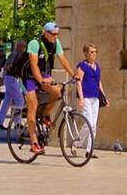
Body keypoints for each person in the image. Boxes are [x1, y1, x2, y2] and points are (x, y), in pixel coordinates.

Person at [16, 22, 79, 154]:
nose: (56, 36)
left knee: (57, 91)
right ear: (45, 32)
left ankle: (44, 114)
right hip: (28, 76)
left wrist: (73, 75)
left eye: (57, 34)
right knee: (33, 104)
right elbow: (33, 65)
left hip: (43, 73)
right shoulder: (35, 43)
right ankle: (33, 142)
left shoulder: (56, 43)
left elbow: (63, 60)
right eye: (53, 34)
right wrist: (41, 81)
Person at [76, 44, 105, 154]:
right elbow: (78, 82)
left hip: (95, 98)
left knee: (93, 125)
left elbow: (99, 82)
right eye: (92, 52)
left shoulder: (97, 66)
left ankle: (89, 150)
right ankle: (77, 143)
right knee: (89, 123)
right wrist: (81, 98)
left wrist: (104, 96)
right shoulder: (82, 66)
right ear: (86, 53)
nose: (94, 54)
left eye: (95, 51)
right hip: (86, 97)